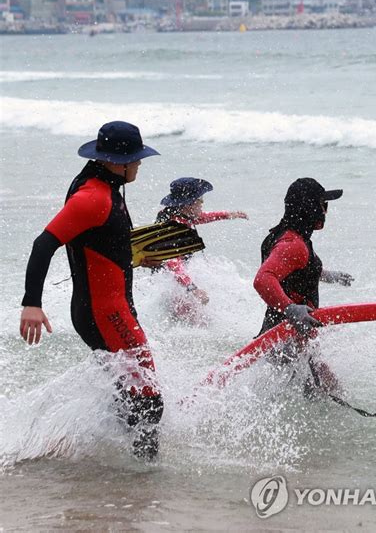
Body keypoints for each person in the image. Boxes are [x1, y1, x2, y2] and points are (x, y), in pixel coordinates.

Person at [19, 121, 164, 460]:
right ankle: (144, 477)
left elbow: (97, 246)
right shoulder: (93, 198)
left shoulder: (101, 185)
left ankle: (99, 455)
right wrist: (31, 304)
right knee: (150, 400)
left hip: (103, 308)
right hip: (106, 312)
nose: (140, 164)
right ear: (118, 162)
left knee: (128, 391)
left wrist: (137, 258)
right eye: (136, 158)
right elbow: (43, 245)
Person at [253, 177, 354, 397]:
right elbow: (263, 279)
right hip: (290, 339)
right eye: (322, 205)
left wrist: (327, 275)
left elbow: (294, 272)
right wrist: (291, 309)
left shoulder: (282, 235)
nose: (325, 212)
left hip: (281, 336)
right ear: (309, 208)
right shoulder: (293, 244)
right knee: (332, 399)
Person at [155, 177, 248, 321]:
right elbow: (172, 261)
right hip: (172, 283)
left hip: (174, 281)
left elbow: (201, 218)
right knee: (197, 320)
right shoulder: (174, 229)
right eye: (200, 199)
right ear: (188, 204)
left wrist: (227, 215)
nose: (202, 202)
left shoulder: (178, 215)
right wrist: (192, 289)